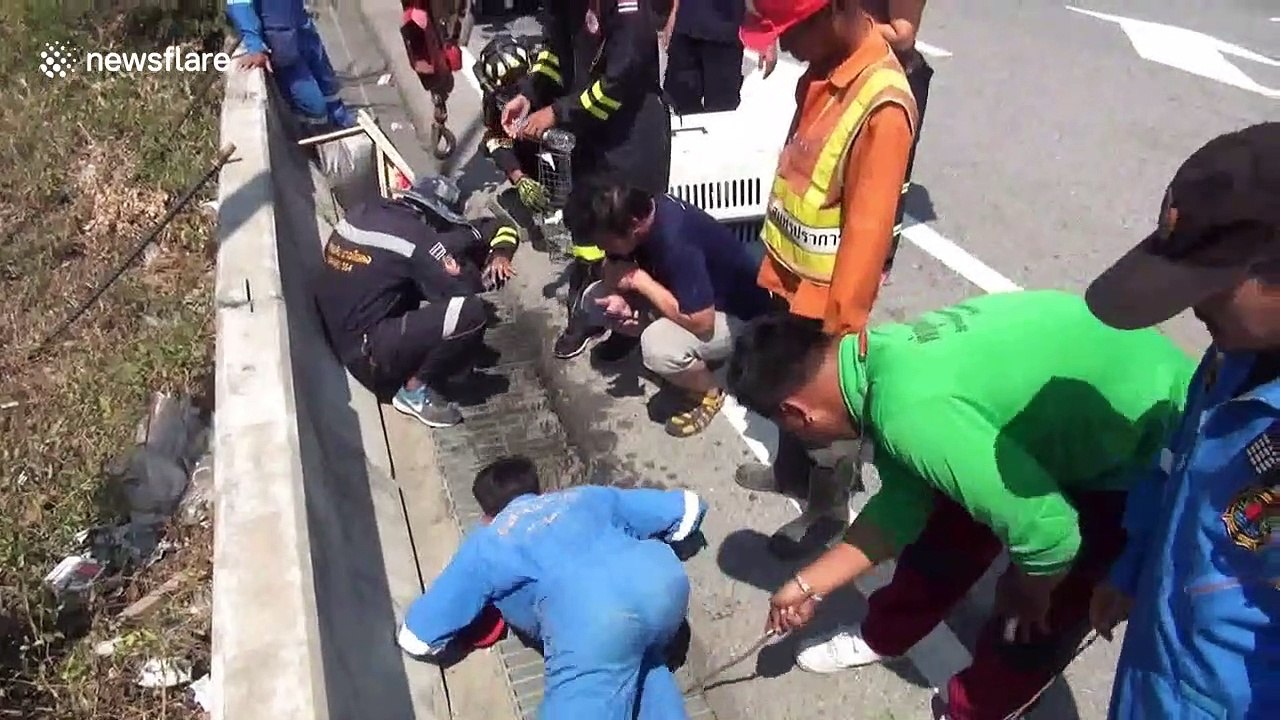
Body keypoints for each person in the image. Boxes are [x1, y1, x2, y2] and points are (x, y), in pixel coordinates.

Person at [726, 290, 1195, 720]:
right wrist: (807, 585)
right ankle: (885, 633)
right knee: (946, 524)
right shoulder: (875, 359)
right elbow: (904, 504)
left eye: (794, 434)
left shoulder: (910, 411)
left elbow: (1053, 535)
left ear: (795, 414)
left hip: (1152, 439)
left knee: (1039, 612)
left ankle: (976, 707)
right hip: (1066, 415)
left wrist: (1028, 589)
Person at [1083, 122, 1280, 720]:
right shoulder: (1231, 356)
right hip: (1157, 669)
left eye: (1212, 287)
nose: (1194, 307)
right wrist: (1132, 563)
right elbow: (1176, 465)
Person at [734, 0, 919, 557]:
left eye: (792, 32)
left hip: (828, 301)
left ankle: (827, 509)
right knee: (785, 389)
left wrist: (840, 338)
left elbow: (865, 235)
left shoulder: (881, 105)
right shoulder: (824, 72)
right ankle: (792, 475)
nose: (784, 47)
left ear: (836, 11)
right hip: (793, 281)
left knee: (819, 403)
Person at [397, 455, 707, 719]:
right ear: (538, 489)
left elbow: (417, 637)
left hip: (597, 624)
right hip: (663, 584)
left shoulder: (487, 542)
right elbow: (690, 507)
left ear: (486, 515)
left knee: (606, 662)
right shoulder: (585, 496)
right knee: (638, 657)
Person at [502, 0, 673, 362]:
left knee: (633, 235)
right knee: (586, 229)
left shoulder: (629, 9)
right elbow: (555, 51)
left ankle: (634, 323)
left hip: (631, 134)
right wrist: (528, 94)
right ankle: (589, 313)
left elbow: (619, 82)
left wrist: (557, 112)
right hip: (588, 129)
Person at [564, 180, 772, 437]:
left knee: (657, 348)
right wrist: (621, 296)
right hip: (685, 300)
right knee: (594, 299)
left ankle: (708, 390)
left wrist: (640, 281)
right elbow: (612, 269)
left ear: (633, 227)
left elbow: (701, 322)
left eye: (603, 241)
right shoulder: (637, 216)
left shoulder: (676, 242)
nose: (600, 248)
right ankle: (686, 361)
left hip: (740, 318)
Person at [312, 175, 522, 428]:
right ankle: (413, 392)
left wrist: (500, 252)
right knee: (470, 314)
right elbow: (460, 292)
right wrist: (475, 274)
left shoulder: (365, 210)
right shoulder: (420, 240)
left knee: (411, 281)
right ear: (435, 215)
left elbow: (499, 225)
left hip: (338, 325)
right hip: (367, 358)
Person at [864, 0, 932, 278]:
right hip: (864, 69)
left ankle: (876, 265)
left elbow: (903, 35)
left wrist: (851, 26)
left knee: (883, 182)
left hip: (891, 77)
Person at [472, 34, 554, 250]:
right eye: (508, 82)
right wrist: (520, 179)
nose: (516, 86)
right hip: (532, 151)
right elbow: (495, 138)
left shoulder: (548, 79)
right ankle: (534, 192)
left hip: (566, 139)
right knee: (492, 147)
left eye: (519, 76)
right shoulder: (495, 102)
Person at [226, 0, 355, 130]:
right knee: (314, 106)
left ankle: (338, 121)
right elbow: (238, 4)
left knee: (329, 88)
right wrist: (255, 46)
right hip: (281, 49)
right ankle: (317, 133)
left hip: (303, 34)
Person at [661, 0, 746, 114]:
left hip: (727, 30)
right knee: (678, 106)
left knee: (722, 109)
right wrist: (673, 13)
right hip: (686, 25)